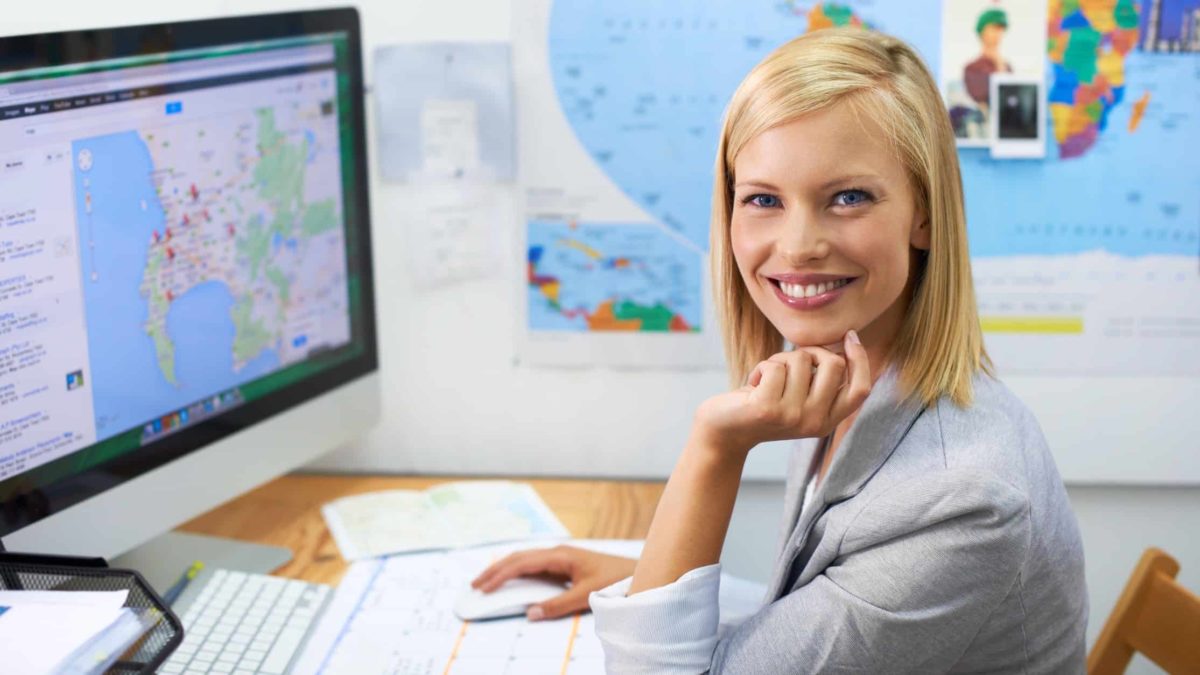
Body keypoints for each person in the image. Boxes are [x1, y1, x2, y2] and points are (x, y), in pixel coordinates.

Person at [472, 28, 1087, 673]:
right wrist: (647, 579)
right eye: (763, 199)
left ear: (925, 215)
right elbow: (823, 601)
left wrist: (715, 447)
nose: (797, 246)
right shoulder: (851, 372)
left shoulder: (964, 499)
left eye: (847, 198)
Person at [964, 8, 1013, 109]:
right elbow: (981, 96)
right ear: (982, 31)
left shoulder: (1007, 66)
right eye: (994, 28)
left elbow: (1012, 97)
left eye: (1000, 30)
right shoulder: (972, 68)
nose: (998, 34)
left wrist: (1000, 65)